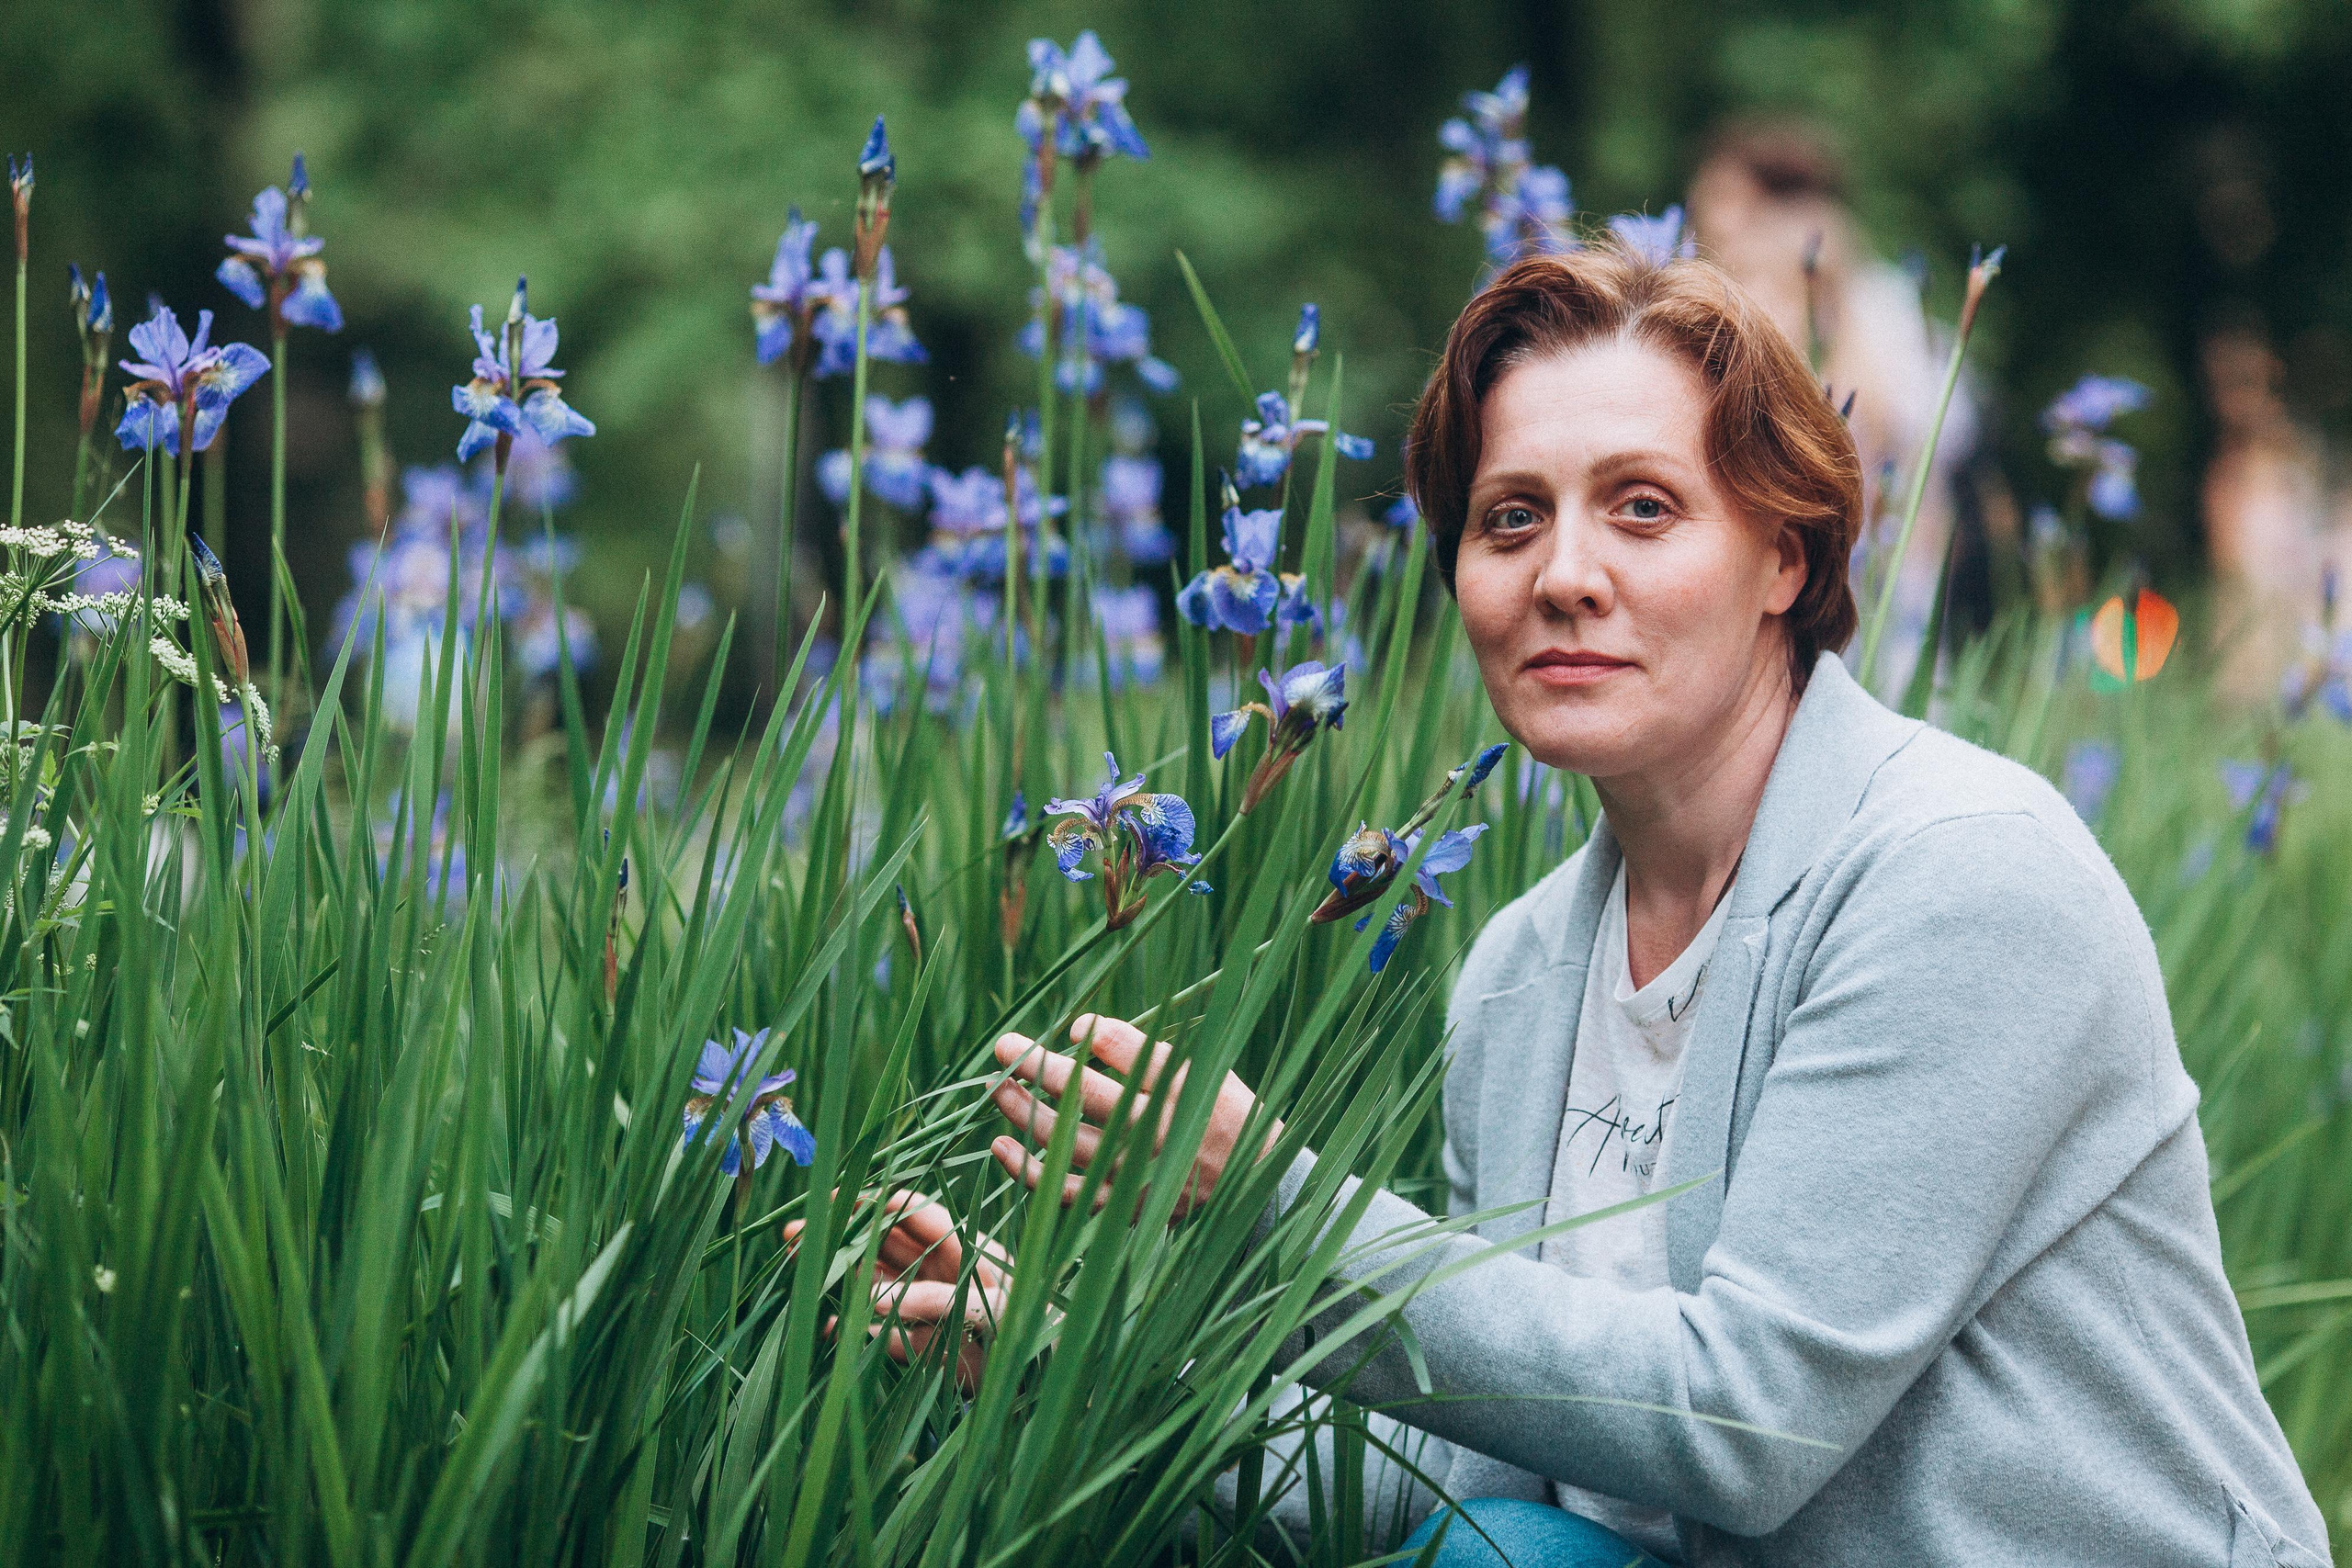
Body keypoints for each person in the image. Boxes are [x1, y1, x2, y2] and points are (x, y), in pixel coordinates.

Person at [858, 240, 2331, 1565]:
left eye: (1642, 508)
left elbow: (1748, 1425)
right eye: (1509, 519)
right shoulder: (1518, 974)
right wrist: (1077, 1388)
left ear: (1784, 556)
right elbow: (1461, 1468)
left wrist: (1274, 1208)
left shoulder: (1960, 875)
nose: (1565, 576)